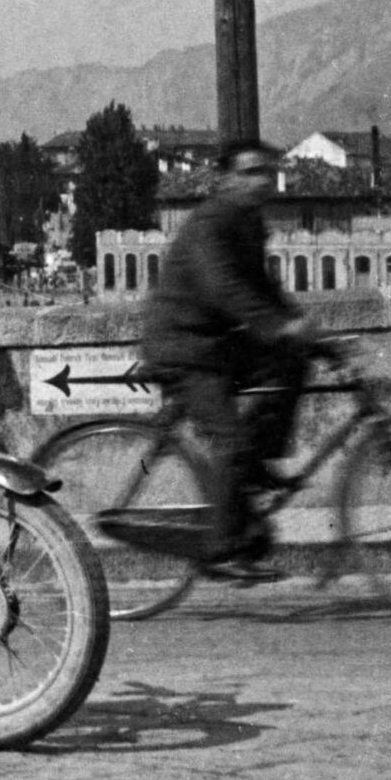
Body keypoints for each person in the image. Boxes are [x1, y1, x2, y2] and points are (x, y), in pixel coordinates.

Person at [140, 139, 313, 577]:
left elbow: (263, 288)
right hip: (182, 348)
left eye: (267, 172)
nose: (262, 181)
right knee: (231, 439)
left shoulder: (249, 223)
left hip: (213, 344)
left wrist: (301, 328)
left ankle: (256, 466)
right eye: (250, 172)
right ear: (226, 179)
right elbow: (223, 289)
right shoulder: (210, 223)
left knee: (294, 359)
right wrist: (277, 326)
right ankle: (221, 551)